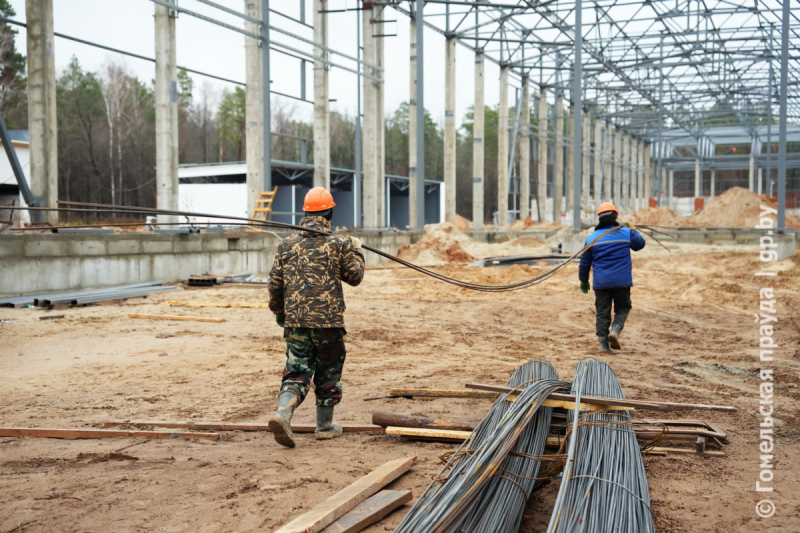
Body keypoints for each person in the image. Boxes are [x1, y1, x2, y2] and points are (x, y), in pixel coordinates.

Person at [267, 187, 365, 448]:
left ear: (305, 213)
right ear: (330, 212)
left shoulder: (286, 245)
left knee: (297, 370)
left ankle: (283, 414)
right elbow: (355, 277)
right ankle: (324, 426)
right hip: (329, 323)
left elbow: (275, 287)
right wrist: (357, 250)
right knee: (328, 370)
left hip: (296, 322)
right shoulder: (339, 244)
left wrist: (280, 314)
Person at [578, 202, 646, 353]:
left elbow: (584, 263)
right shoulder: (626, 232)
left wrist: (583, 280)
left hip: (601, 283)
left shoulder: (592, 238)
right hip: (622, 281)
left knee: (602, 312)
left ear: (599, 218)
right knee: (623, 307)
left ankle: (603, 345)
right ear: (616, 216)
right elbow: (640, 245)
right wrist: (633, 230)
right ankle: (615, 331)